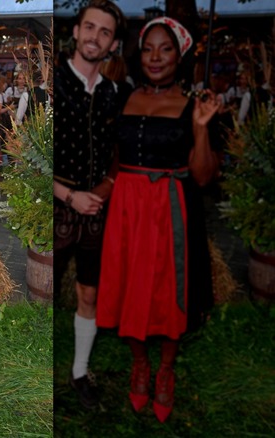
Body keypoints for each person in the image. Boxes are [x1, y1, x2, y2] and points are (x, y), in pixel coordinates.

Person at [96, 16, 220, 423]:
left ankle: (165, 369)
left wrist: (201, 129)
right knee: (128, 281)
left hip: (170, 209)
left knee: (169, 287)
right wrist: (102, 189)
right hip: (127, 208)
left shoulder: (194, 104)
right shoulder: (124, 97)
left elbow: (204, 176)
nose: (155, 56)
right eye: (148, 48)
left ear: (179, 56)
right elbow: (117, 158)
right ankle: (140, 363)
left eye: (165, 48)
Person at [52, 0, 126, 410]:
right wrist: (68, 195)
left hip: (97, 209)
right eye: (90, 27)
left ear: (112, 44)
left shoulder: (115, 92)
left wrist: (108, 185)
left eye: (105, 32)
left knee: (89, 292)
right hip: (57, 208)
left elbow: (119, 151)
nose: (96, 36)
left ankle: (79, 371)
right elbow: (31, 156)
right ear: (76, 31)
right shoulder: (54, 83)